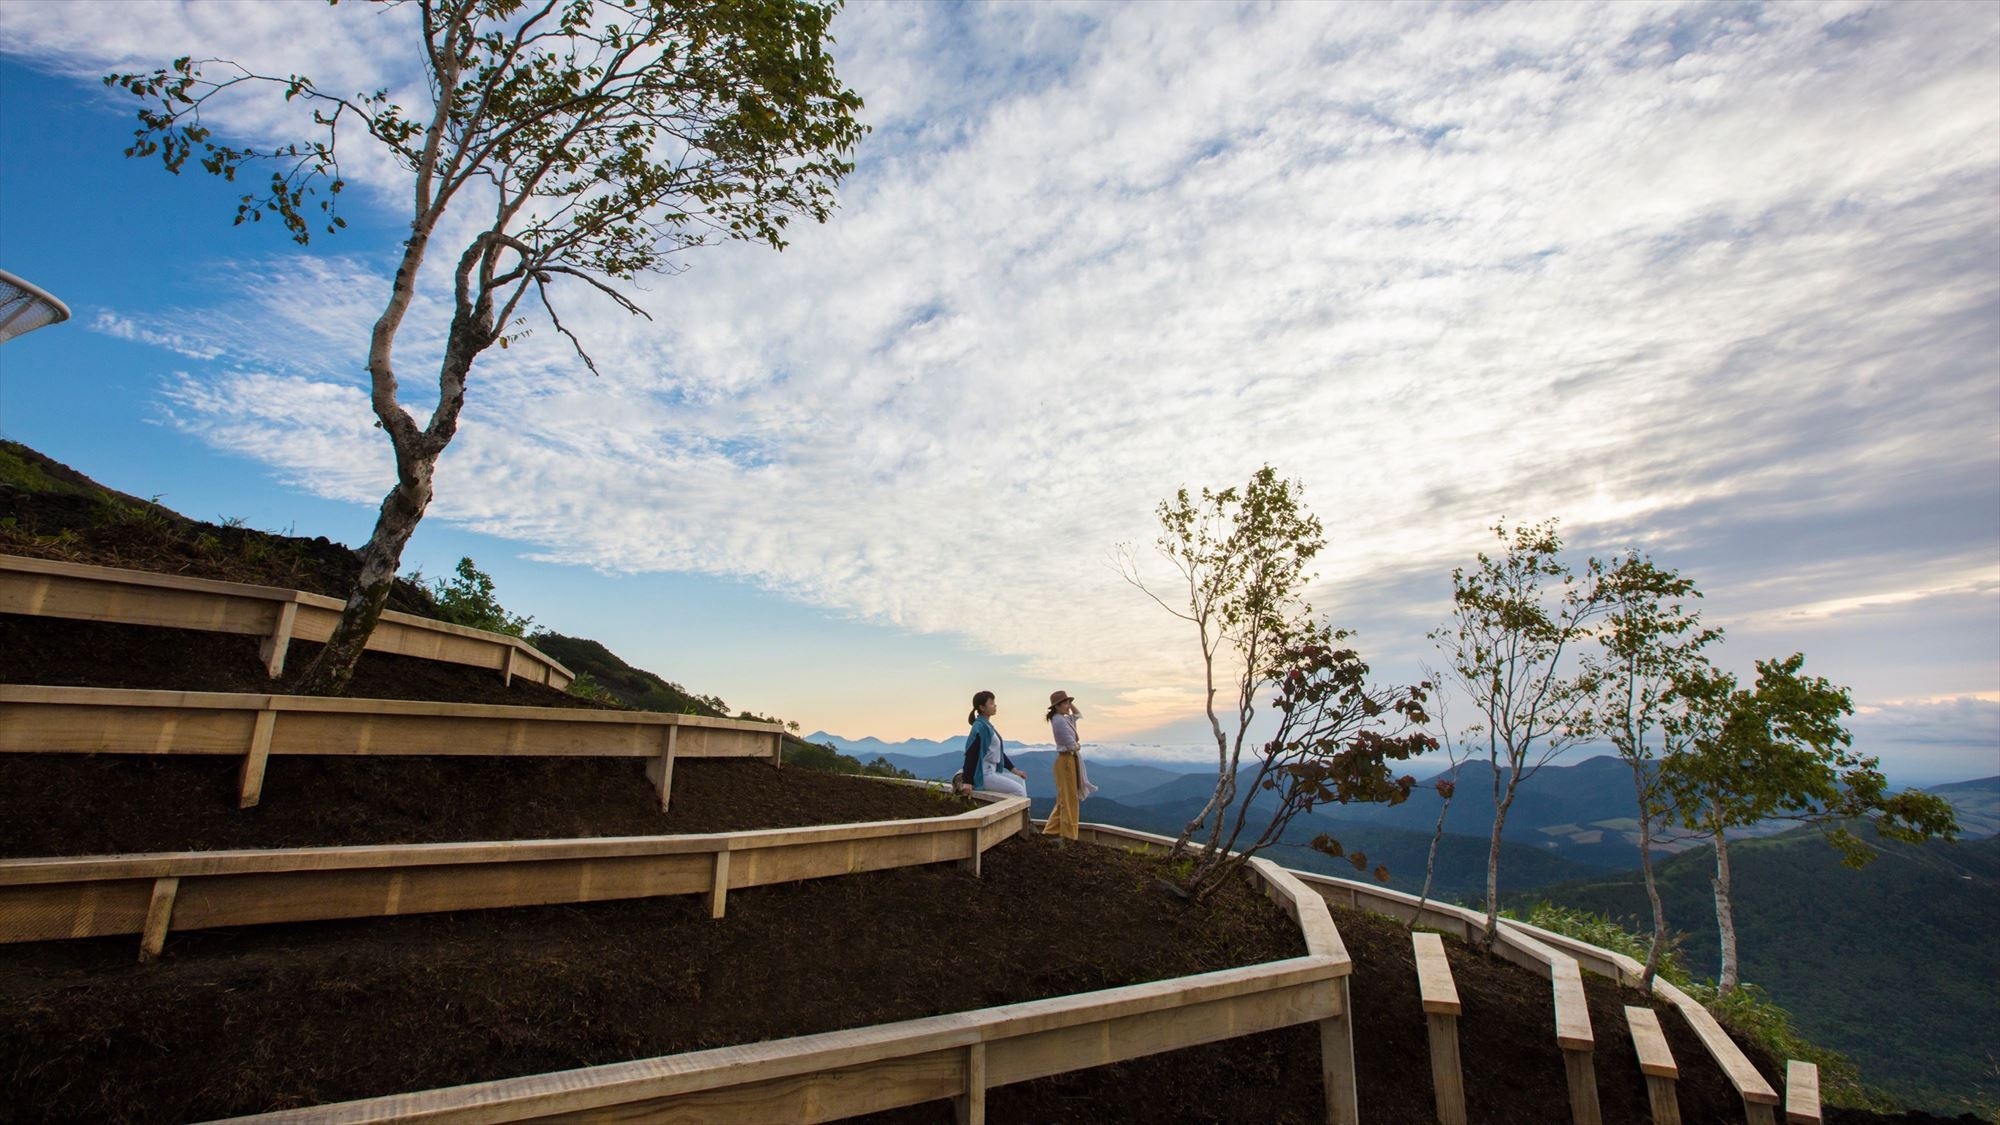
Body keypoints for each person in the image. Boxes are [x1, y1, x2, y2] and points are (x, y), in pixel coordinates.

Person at [1042, 689, 1094, 841]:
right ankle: (1069, 836)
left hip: (1069, 760)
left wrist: (1071, 703)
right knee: (1069, 799)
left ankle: (1050, 831)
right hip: (1066, 761)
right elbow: (1072, 746)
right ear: (1056, 706)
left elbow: (1077, 715)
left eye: (1067, 702)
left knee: (1064, 799)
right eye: (1064, 703)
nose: (1067, 705)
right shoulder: (1059, 721)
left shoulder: (1063, 718)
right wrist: (1078, 746)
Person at [955, 690, 1026, 798]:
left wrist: (1015, 771)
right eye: (991, 703)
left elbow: (998, 752)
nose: (995, 705)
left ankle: (1024, 814)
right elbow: (971, 753)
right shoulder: (980, 727)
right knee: (1019, 791)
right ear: (982, 707)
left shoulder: (987, 726)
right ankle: (1011, 815)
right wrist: (968, 781)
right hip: (984, 774)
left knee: (1020, 781)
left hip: (991, 771)